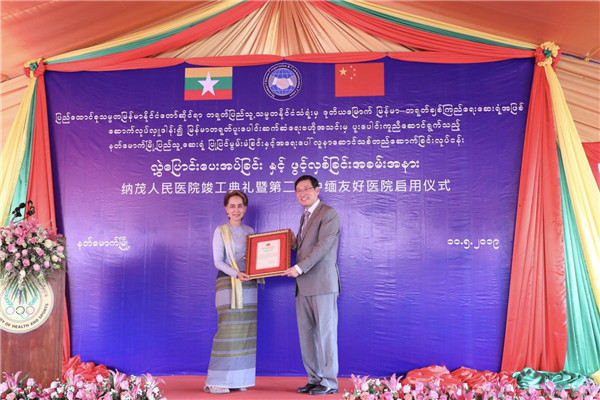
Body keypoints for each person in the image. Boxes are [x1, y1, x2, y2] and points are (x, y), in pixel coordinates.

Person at [283, 175, 340, 396]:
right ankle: (314, 379)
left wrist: (299, 268)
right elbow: (305, 247)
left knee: (326, 335)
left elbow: (323, 246)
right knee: (306, 336)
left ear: (317, 190)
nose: (302, 193)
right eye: (298, 190)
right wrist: (291, 243)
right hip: (303, 285)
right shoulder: (304, 217)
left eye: (306, 188)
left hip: (322, 283)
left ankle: (329, 382)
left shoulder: (329, 214)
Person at [204, 190, 257, 394]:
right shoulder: (221, 231)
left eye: (240, 206)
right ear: (226, 209)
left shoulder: (250, 231)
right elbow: (218, 261)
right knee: (227, 331)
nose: (236, 210)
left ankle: (237, 379)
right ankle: (216, 381)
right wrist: (236, 273)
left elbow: (256, 257)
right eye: (232, 206)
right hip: (228, 284)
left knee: (244, 332)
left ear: (245, 208)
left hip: (249, 285)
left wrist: (252, 264)